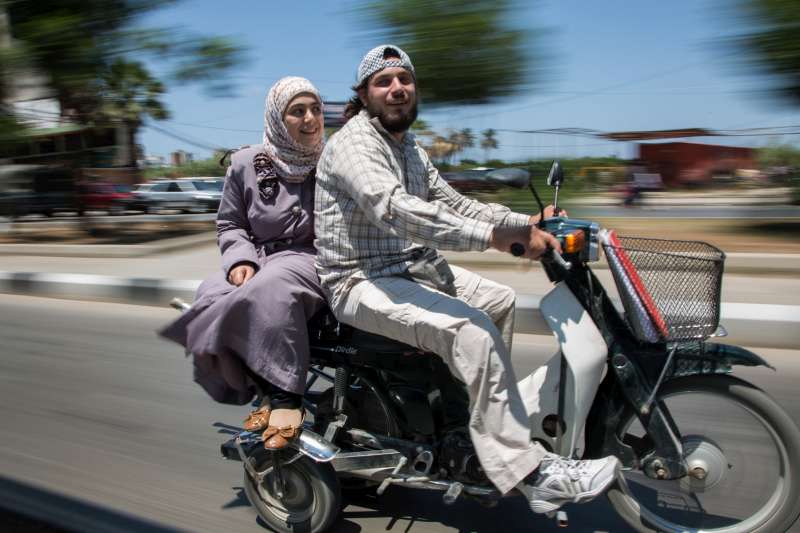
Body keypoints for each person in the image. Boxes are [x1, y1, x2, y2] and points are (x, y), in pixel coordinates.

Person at [314, 44, 620, 515]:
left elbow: (452, 203)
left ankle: (478, 429)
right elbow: (397, 210)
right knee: (472, 331)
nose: (397, 88)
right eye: (384, 82)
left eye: (404, 80)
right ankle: (530, 475)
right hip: (358, 281)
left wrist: (526, 221)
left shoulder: (408, 146)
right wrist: (497, 237)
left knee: (498, 300)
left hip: (407, 266)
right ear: (365, 94)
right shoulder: (355, 144)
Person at [160, 76, 326, 450]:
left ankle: (285, 397)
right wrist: (239, 260)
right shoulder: (246, 162)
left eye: (315, 109)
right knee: (211, 291)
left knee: (271, 288)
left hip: (310, 258)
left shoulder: (333, 163)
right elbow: (231, 223)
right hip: (260, 256)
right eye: (297, 111)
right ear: (276, 118)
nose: (310, 118)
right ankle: (260, 388)